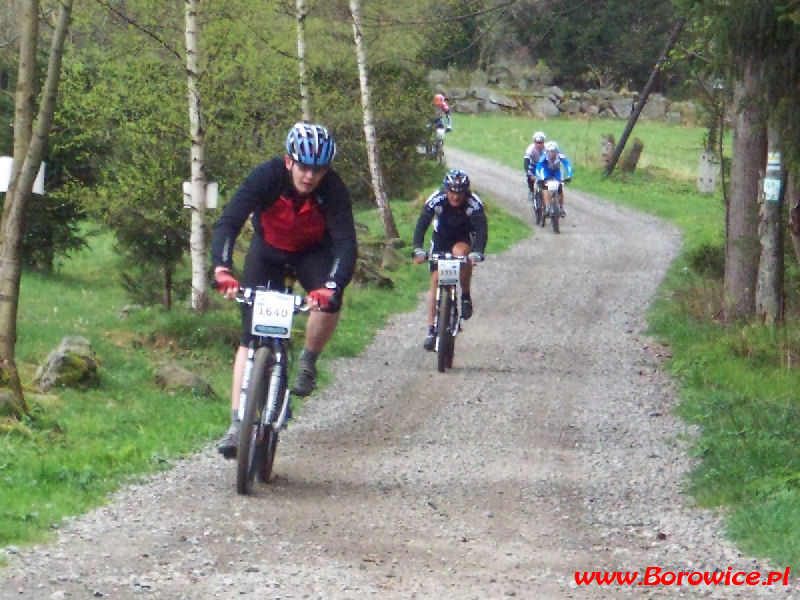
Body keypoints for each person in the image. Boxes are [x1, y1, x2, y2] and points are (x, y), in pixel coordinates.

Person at [211, 122, 357, 459]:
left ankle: (308, 358)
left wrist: (331, 288)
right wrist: (221, 268)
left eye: (318, 170)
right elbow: (230, 221)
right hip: (268, 252)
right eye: (304, 167)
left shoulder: (333, 190)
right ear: (289, 162)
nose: (310, 176)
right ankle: (237, 423)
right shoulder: (266, 176)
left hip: (312, 253)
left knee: (330, 301)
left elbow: (346, 244)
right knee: (249, 339)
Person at [412, 169, 488, 351]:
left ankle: (465, 295)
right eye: (452, 192)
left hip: (461, 238)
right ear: (446, 190)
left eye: (460, 193)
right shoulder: (436, 200)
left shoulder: (474, 203)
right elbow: (421, 225)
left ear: (466, 192)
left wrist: (477, 252)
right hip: (440, 239)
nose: (456, 197)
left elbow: (482, 230)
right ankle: (431, 331)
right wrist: (417, 249)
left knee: (462, 255)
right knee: (436, 279)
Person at [534, 141, 573, 217]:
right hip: (546, 171)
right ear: (547, 151)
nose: (552, 154)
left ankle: (561, 207)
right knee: (545, 187)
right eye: (550, 152)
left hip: (556, 171)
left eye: (553, 152)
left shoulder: (560, 155)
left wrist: (569, 176)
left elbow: (567, 165)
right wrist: (539, 178)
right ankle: (548, 207)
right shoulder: (544, 156)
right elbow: (538, 167)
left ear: (556, 151)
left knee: (560, 188)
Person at [523, 130, 546, 201]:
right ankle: (531, 191)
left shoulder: (547, 148)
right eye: (537, 143)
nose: (538, 145)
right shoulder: (530, 149)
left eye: (540, 143)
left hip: (543, 166)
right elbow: (526, 163)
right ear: (534, 142)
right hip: (533, 165)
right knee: (530, 176)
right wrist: (529, 174)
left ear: (543, 142)